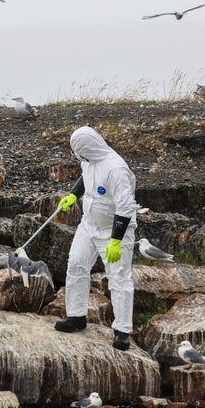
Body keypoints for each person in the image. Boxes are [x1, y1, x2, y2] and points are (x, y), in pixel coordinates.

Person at [54, 126, 137, 351]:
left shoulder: (116, 169)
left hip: (114, 230)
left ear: (88, 147)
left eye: (78, 151)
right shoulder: (89, 158)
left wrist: (117, 239)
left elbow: (126, 206)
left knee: (119, 278)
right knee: (76, 264)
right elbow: (85, 176)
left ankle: (122, 331)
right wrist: (73, 194)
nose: (77, 156)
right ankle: (76, 317)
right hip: (89, 224)